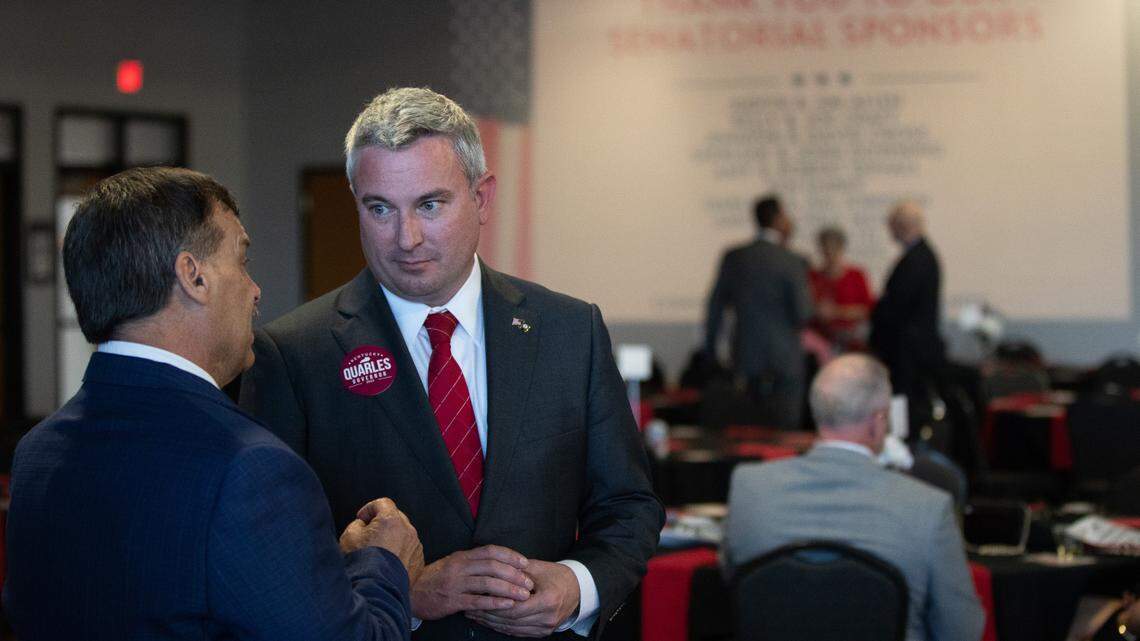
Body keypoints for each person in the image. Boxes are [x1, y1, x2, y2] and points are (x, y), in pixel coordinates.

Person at [239, 87, 664, 640]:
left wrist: (575, 587)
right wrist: (400, 591)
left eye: (430, 204)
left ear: (482, 198)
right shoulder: (295, 353)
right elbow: (270, 556)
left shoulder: (569, 331)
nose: (406, 238)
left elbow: (629, 504)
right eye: (380, 208)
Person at [3, 167, 422, 640]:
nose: (255, 289)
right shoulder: (249, 470)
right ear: (193, 276)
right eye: (241, 260)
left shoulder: (37, 452)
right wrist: (384, 564)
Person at [722, 354, 984, 641]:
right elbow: (962, 630)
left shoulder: (749, 487)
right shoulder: (928, 508)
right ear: (878, 422)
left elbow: (734, 585)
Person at [704, 194, 814, 429]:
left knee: (748, 430)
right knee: (785, 433)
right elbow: (803, 313)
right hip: (785, 359)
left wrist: (712, 354)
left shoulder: (735, 257)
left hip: (746, 355)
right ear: (777, 218)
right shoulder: (793, 260)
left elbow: (715, 308)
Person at [869, 200, 945, 418]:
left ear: (901, 226)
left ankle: (903, 444)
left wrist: (876, 317)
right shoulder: (921, 256)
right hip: (909, 349)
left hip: (908, 352)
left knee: (904, 406)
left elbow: (897, 305)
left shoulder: (917, 260)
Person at [808, 226, 874, 351]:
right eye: (826, 251)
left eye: (834, 250)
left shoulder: (856, 275)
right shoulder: (813, 277)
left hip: (852, 341)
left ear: (841, 249)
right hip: (821, 342)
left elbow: (867, 310)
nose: (830, 256)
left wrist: (837, 312)